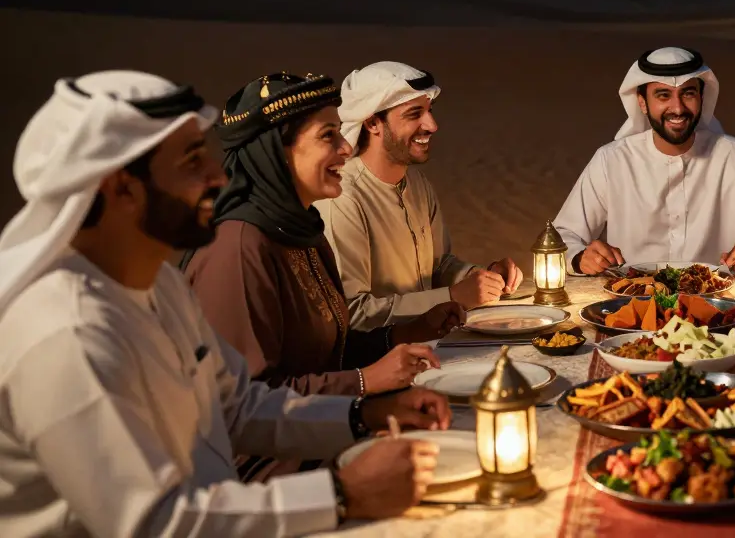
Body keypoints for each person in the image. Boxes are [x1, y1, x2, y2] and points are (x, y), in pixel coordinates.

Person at [0, 71, 453, 537]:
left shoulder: (158, 287)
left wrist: (365, 414)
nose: (218, 176)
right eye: (193, 161)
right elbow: (153, 524)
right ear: (122, 189)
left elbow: (235, 406)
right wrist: (339, 495)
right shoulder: (66, 333)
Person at [182, 72, 464, 480]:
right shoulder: (240, 248)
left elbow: (327, 352)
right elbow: (249, 407)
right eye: (328, 136)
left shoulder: (301, 232)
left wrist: (402, 336)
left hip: (325, 429)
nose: (346, 148)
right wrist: (366, 384)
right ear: (277, 153)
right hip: (265, 472)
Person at [316, 62, 522, 329]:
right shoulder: (343, 197)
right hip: (379, 361)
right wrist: (452, 297)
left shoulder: (417, 183)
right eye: (415, 114)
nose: (432, 125)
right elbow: (353, 312)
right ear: (373, 123)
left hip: (432, 341)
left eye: (429, 112)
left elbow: (437, 267)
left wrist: (481, 277)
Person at [553, 47, 735, 276]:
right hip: (632, 304)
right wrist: (580, 257)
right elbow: (563, 237)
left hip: (718, 307)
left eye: (688, 94)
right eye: (663, 95)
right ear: (642, 102)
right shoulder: (611, 161)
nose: (677, 108)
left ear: (701, 98)